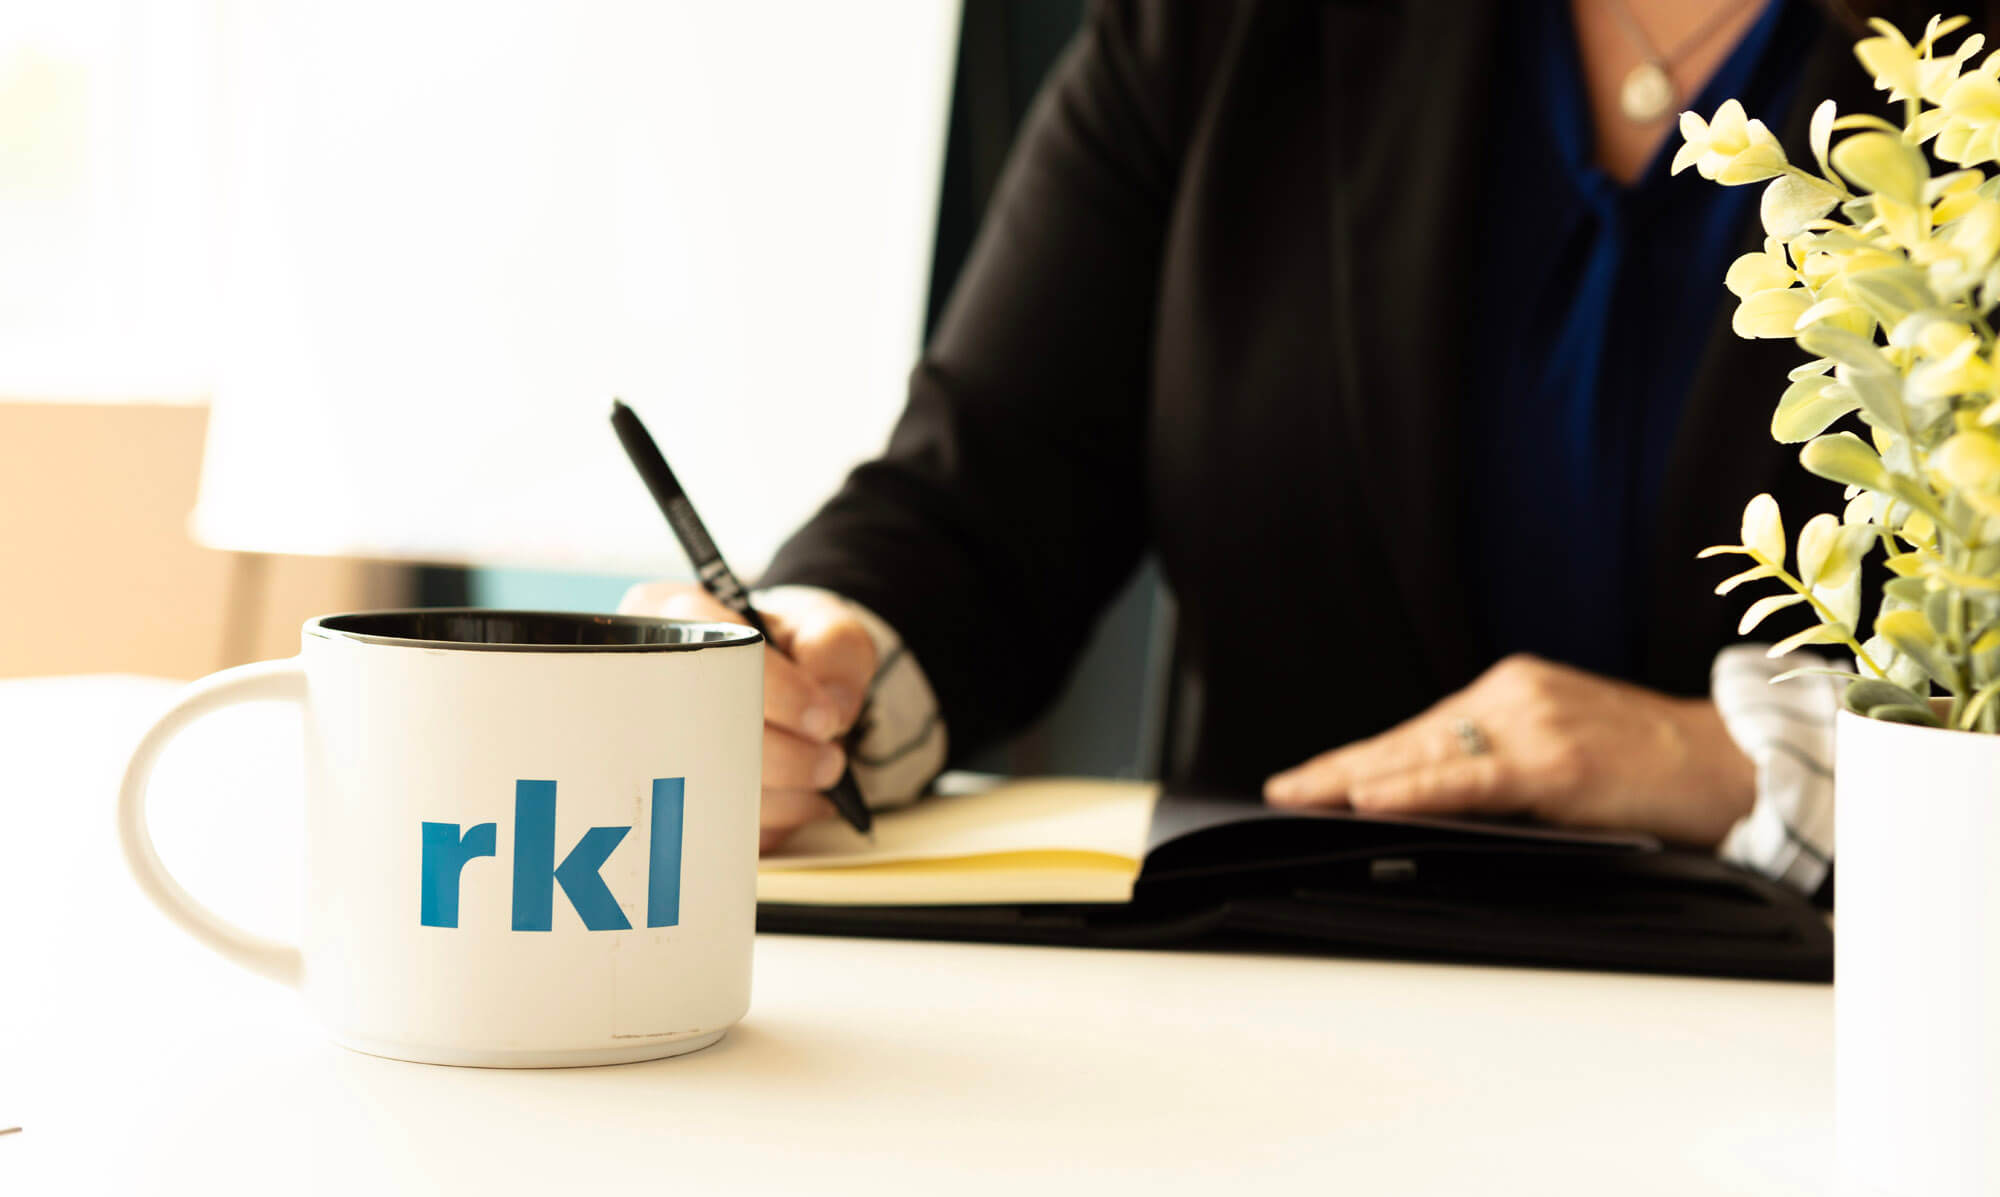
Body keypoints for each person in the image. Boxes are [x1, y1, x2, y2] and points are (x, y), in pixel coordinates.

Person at [624, 0, 1930, 892]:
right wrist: (816, 682)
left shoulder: (1955, 80)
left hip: (1833, 1077)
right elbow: (985, 491)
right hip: (1265, 1039)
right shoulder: (1228, 23)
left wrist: (1751, 760)